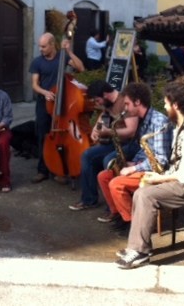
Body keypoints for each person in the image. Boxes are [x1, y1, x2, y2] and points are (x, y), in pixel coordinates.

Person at [115, 75, 184, 269]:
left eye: (166, 104)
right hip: (182, 182)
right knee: (142, 191)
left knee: (145, 195)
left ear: (175, 105)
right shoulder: (180, 126)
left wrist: (160, 178)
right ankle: (137, 247)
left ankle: (140, 251)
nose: (165, 108)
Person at [97, 82, 172, 233]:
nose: (125, 109)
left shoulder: (158, 121)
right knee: (103, 176)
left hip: (154, 172)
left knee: (116, 184)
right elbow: (143, 150)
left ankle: (132, 224)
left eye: (127, 104)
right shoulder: (143, 120)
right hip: (142, 165)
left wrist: (134, 167)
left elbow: (161, 161)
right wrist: (130, 162)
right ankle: (119, 214)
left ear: (137, 102)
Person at [68, 80, 139, 211]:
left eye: (97, 100)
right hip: (114, 142)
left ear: (105, 94)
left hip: (130, 144)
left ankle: (114, 208)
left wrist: (109, 132)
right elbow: (104, 114)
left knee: (108, 161)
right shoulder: (108, 103)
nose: (96, 103)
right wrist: (96, 128)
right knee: (87, 155)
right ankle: (89, 199)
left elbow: (131, 131)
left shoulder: (124, 102)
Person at [29, 32, 84, 183]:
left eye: (44, 46)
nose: (41, 49)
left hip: (62, 103)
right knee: (43, 136)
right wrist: (44, 92)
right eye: (40, 46)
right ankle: (43, 170)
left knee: (63, 135)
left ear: (52, 44)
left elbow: (81, 68)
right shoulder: (37, 62)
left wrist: (69, 52)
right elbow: (34, 84)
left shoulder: (62, 57)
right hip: (44, 102)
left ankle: (60, 169)